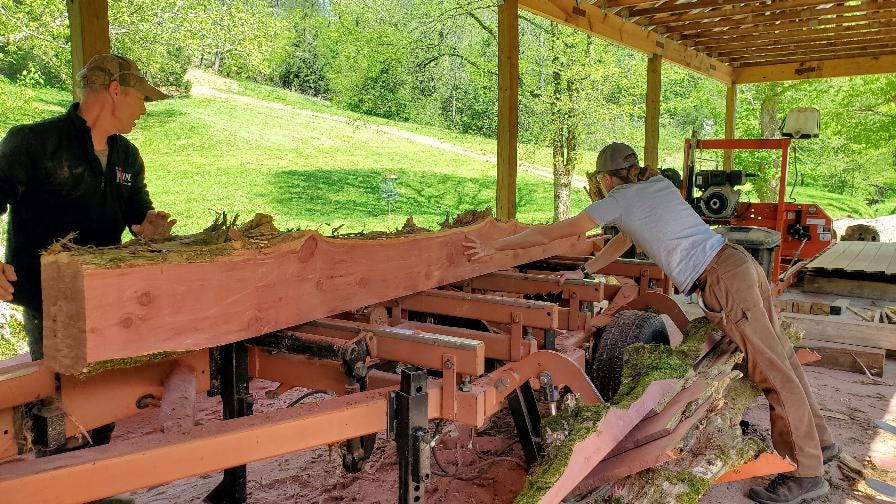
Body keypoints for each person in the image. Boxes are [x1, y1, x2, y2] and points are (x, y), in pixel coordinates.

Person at [464, 142, 840, 504]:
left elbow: (559, 231)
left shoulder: (620, 199)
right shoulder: (656, 186)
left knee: (770, 372)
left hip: (723, 278)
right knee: (783, 359)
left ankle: (806, 473)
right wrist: (586, 268)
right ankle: (820, 445)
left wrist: (494, 247)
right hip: (736, 264)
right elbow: (625, 240)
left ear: (606, 179)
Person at [0, 54, 176, 466]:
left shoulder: (127, 156)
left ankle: (95, 483)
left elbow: (137, 215)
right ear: (116, 90)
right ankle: (61, 482)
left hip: (108, 298)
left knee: (102, 398)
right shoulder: (31, 143)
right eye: (142, 97)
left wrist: (147, 227)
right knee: (56, 399)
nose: (145, 109)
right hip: (49, 301)